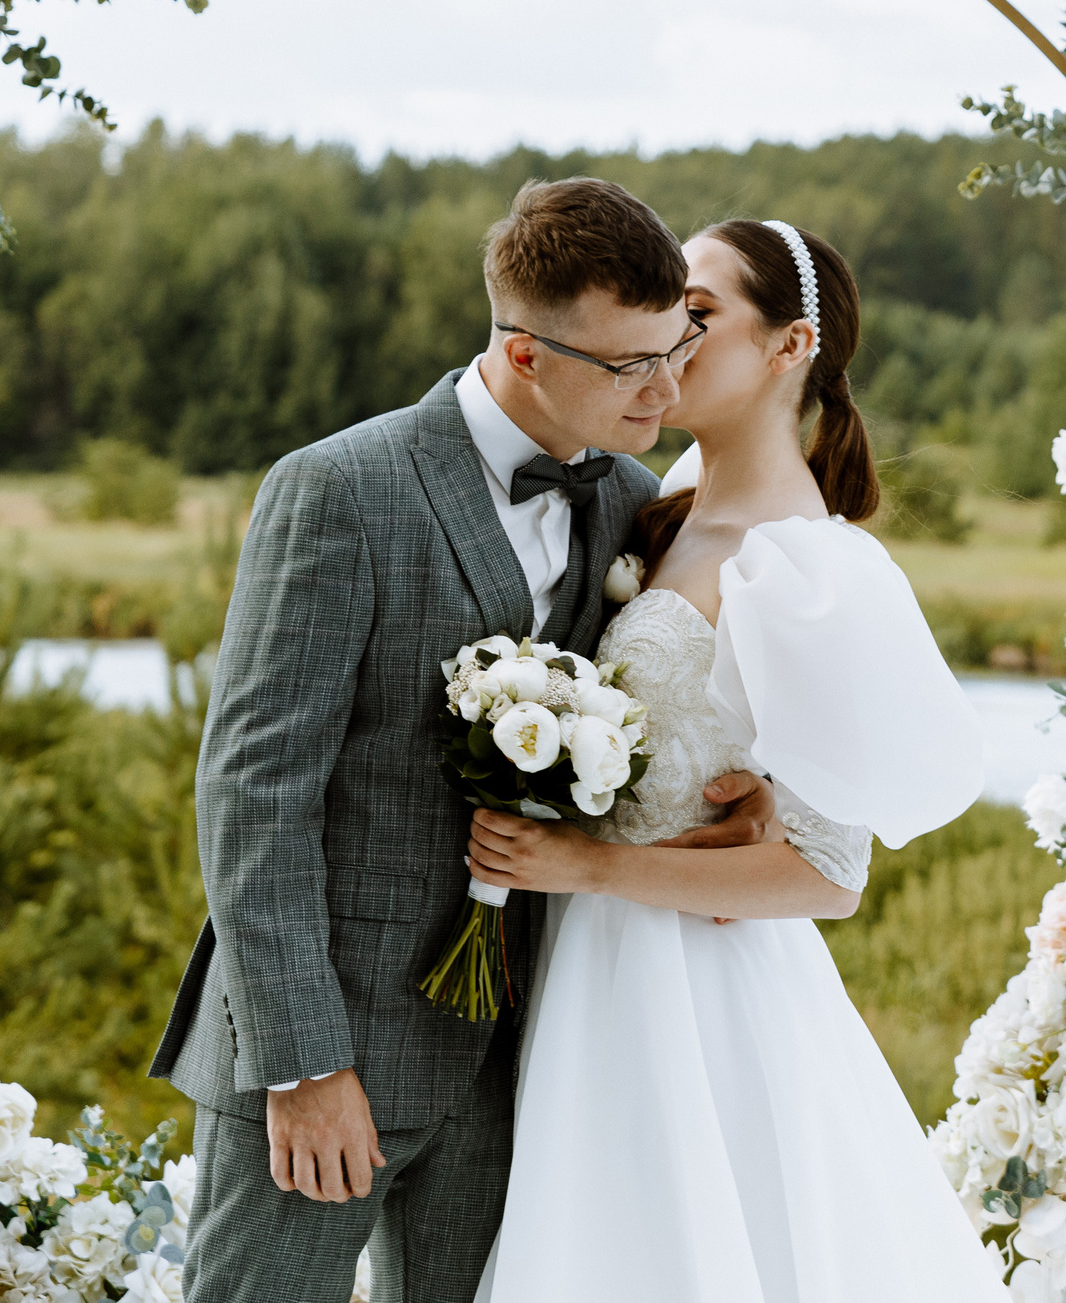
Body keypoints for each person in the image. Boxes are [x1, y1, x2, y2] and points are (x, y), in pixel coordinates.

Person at [149, 178, 787, 1303]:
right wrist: (304, 1065)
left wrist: (724, 807)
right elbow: (253, 793)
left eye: (676, 349)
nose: (669, 387)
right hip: (324, 1054)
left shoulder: (632, 501)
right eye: (631, 366)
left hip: (524, 1064)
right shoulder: (337, 489)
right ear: (528, 353)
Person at [466, 218, 1008, 1303]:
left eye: (699, 318)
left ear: (789, 345)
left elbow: (829, 873)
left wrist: (593, 868)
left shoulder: (805, 564)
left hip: (693, 995)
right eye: (665, 317)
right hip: (583, 964)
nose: (667, 346)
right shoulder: (652, 507)